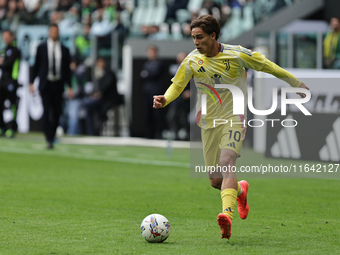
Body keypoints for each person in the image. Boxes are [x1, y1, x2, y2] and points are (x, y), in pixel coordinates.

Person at [153, 15, 309, 239]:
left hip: (234, 118)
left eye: (199, 37)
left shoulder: (237, 54)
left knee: (227, 161)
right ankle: (240, 191)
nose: (195, 42)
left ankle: (226, 215)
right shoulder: (191, 60)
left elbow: (269, 66)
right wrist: (165, 99)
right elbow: (178, 84)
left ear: (213, 35)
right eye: (193, 38)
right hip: (208, 123)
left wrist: (295, 83)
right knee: (216, 181)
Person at [29, 24, 73, 149]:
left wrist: (69, 86)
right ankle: (48, 138)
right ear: (49, 32)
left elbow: (67, 71)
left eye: (56, 31)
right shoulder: (41, 47)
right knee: (46, 110)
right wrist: (31, 82)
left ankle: (52, 135)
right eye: (52, 31)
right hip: (45, 84)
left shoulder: (64, 49)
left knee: (57, 112)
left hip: (58, 84)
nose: (54, 33)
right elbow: (36, 66)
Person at [83, 57, 120, 136]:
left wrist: (99, 93)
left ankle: (99, 123)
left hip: (108, 100)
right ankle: (92, 131)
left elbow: (106, 87)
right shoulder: (97, 74)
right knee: (88, 107)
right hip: (100, 100)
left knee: (90, 105)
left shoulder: (109, 73)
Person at [140, 45, 165, 139]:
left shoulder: (160, 63)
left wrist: (147, 74)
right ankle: (149, 134)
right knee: (148, 114)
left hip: (156, 92)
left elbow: (152, 74)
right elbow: (143, 75)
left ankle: (159, 134)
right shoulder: (146, 63)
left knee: (158, 114)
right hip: (147, 92)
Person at [0, 29, 21, 138]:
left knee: (12, 104)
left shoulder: (15, 50)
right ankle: (2, 126)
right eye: (4, 36)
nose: (5, 38)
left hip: (11, 81)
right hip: (3, 80)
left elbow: (7, 64)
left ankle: (12, 128)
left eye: (7, 36)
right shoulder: (4, 50)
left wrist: (2, 63)